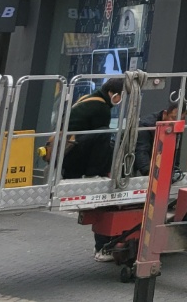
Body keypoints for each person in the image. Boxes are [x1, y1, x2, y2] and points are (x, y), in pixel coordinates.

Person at [61, 78, 124, 261]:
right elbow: (99, 140)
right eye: (120, 96)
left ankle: (103, 246)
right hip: (73, 154)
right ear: (112, 93)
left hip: (68, 151)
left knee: (105, 138)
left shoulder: (89, 99)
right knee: (105, 134)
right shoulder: (100, 107)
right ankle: (95, 173)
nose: (120, 100)